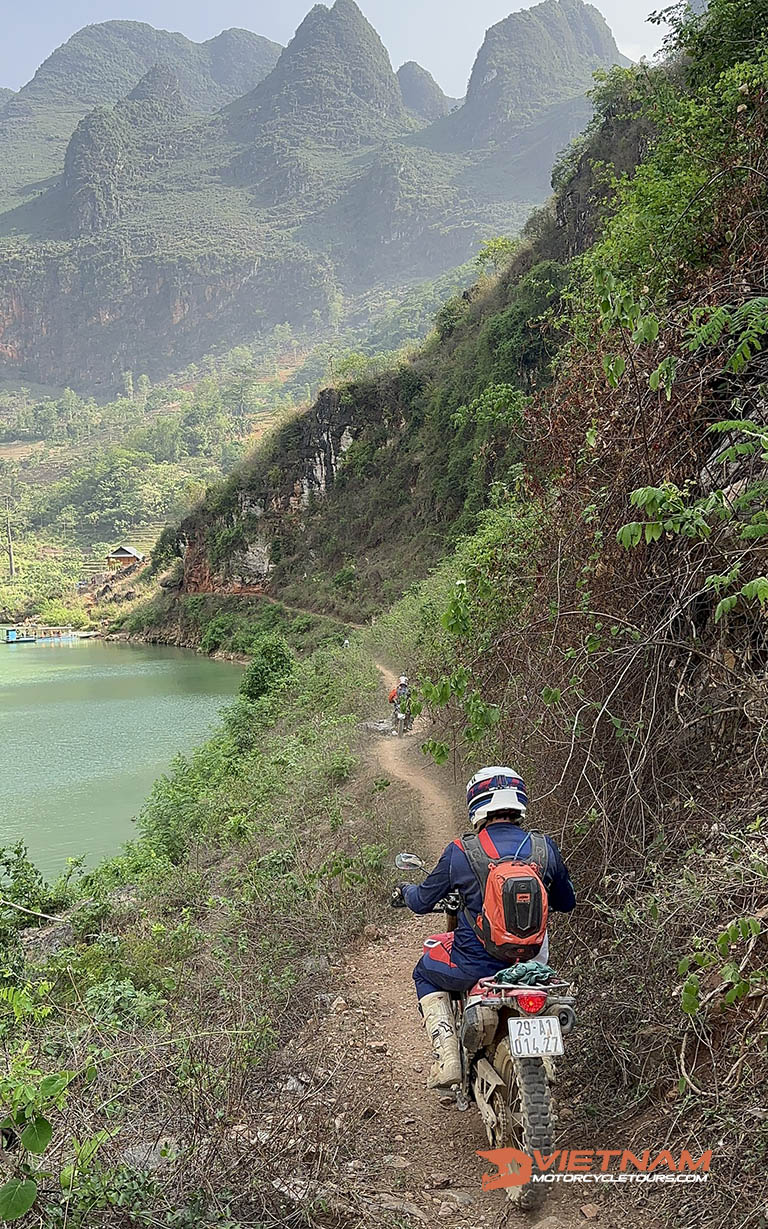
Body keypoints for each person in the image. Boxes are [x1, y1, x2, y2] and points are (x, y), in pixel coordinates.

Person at [392, 766, 575, 1090]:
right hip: (531, 966)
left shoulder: (461, 852)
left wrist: (406, 890)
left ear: (476, 804)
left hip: (476, 967)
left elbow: (421, 903)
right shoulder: (545, 847)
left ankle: (448, 1056)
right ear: (519, 802)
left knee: (423, 970)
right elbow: (566, 903)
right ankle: (543, 1061)